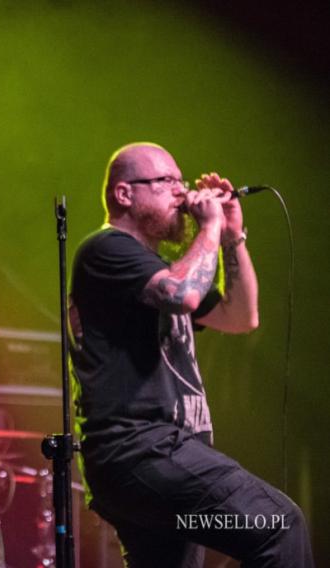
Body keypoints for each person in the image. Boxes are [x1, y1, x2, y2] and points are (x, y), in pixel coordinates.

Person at [69, 142, 313, 567]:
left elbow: (241, 317)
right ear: (125, 194)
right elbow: (183, 293)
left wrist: (232, 236)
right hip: (141, 453)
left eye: (182, 181)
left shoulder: (158, 266)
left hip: (158, 460)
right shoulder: (106, 250)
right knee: (276, 524)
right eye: (167, 182)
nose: (182, 193)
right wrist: (209, 226)